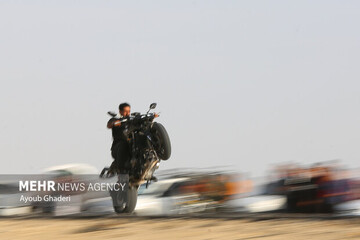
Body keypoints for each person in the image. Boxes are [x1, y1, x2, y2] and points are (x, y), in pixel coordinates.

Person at [107, 102, 132, 174]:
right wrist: (115, 123)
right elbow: (109, 125)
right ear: (120, 111)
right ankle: (121, 171)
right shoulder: (116, 120)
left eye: (129, 111)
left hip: (130, 147)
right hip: (117, 149)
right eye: (125, 111)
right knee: (124, 144)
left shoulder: (131, 121)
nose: (128, 113)